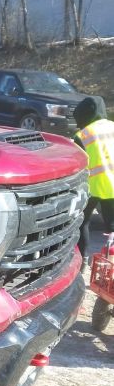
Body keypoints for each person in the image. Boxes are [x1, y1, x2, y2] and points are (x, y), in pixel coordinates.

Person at [74, 96, 114, 263]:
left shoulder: (82, 135)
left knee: (82, 222)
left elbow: (77, 165)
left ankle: (82, 261)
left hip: (92, 187)